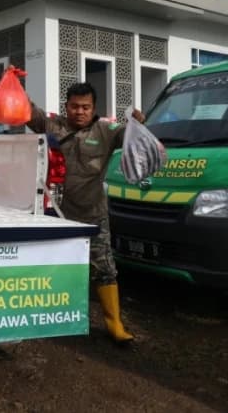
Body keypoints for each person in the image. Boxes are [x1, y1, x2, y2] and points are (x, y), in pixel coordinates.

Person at [25, 82, 144, 345]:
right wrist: (15, 89)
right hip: (55, 215)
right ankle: (50, 318)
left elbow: (131, 137)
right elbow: (29, 113)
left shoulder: (106, 130)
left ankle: (114, 323)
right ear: (66, 106)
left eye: (86, 107)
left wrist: (138, 123)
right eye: (75, 106)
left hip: (93, 212)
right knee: (53, 266)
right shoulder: (53, 126)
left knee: (104, 269)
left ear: (94, 108)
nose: (80, 111)